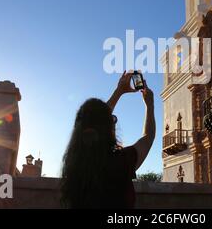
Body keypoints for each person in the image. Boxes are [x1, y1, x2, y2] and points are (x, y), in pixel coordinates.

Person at [60, 71, 155, 209]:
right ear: (107, 129)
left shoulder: (73, 164)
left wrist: (119, 91)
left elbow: (92, 121)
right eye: (112, 120)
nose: (114, 121)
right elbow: (148, 137)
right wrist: (150, 105)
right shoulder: (121, 162)